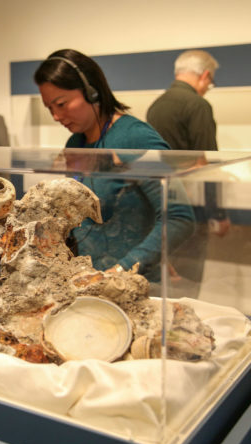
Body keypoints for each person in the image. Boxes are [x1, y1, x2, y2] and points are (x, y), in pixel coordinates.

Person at [34, 49, 194, 286]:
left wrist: (120, 270)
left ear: (92, 92)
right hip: (87, 281)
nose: (56, 116)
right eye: (50, 108)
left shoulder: (136, 139)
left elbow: (179, 217)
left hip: (131, 284)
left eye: (61, 104)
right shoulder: (75, 143)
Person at [147, 49, 229, 296]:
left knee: (166, 275)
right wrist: (218, 213)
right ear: (205, 75)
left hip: (161, 205)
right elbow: (208, 166)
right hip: (193, 207)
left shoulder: (156, 107)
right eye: (210, 82)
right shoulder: (198, 105)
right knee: (189, 280)